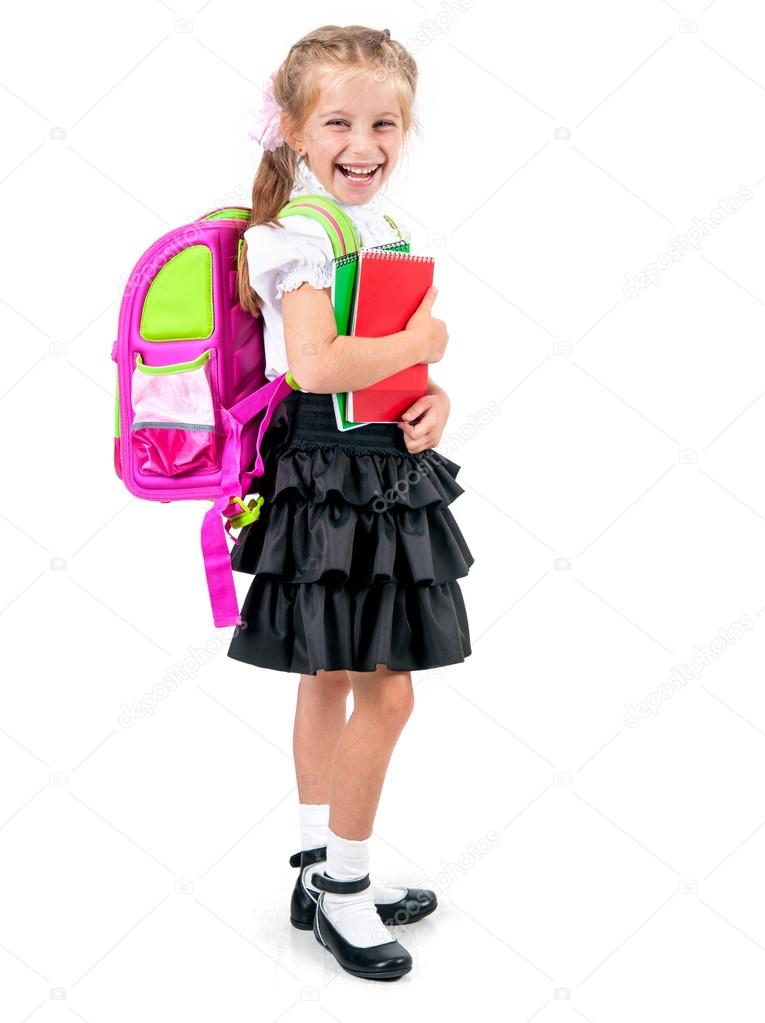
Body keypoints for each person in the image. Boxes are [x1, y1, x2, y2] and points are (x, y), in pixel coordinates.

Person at [228, 24, 474, 981]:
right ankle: (344, 888)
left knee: (331, 675)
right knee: (383, 686)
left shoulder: (387, 228)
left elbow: (391, 370)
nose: (363, 142)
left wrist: (434, 395)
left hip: (379, 465)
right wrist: (435, 337)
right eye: (338, 120)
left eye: (384, 122)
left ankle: (318, 865)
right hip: (332, 474)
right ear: (292, 127)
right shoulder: (294, 233)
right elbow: (317, 364)